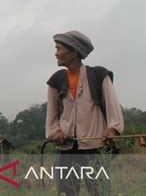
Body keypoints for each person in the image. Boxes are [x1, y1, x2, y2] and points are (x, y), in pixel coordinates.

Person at [45, 30, 124, 196]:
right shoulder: (56, 80)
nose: (56, 53)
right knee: (67, 192)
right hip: (67, 148)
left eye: (59, 48)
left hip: (95, 148)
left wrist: (112, 129)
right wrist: (55, 132)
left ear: (73, 52)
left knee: (99, 192)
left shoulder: (99, 75)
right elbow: (51, 117)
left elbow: (113, 107)